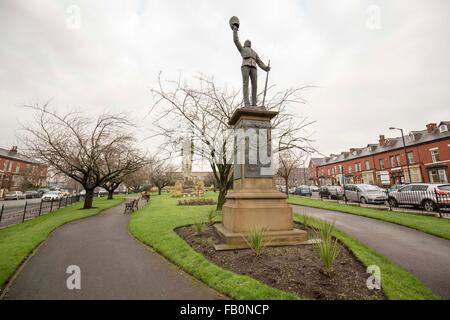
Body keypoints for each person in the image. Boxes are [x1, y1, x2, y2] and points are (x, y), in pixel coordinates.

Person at [232, 24, 270, 106]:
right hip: (245, 66)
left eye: (249, 42)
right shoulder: (242, 49)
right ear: (245, 43)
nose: (249, 42)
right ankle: (246, 102)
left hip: (254, 68)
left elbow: (260, 62)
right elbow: (236, 40)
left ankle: (254, 103)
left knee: (255, 85)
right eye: (247, 41)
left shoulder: (254, 52)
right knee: (246, 84)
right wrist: (235, 30)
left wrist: (266, 68)